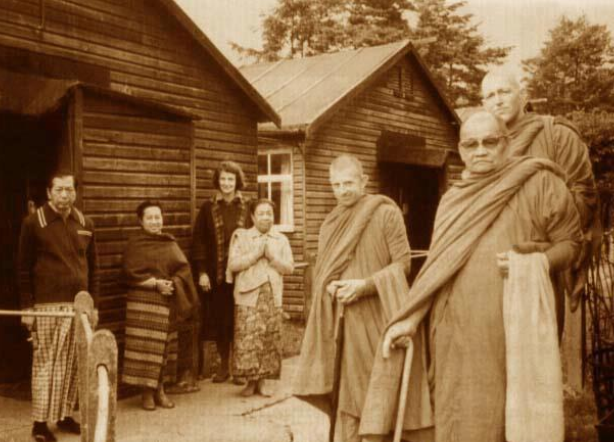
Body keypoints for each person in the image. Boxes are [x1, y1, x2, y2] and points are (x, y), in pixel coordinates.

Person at [359, 111, 583, 442]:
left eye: (489, 142)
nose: (480, 151)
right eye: (471, 144)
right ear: (461, 150)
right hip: (452, 332)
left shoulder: (540, 182)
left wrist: (535, 262)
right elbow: (437, 269)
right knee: (455, 414)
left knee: (504, 418)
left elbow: (571, 244)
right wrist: (411, 320)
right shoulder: (453, 199)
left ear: (506, 143)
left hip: (509, 328)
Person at [293, 154, 413, 442]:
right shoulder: (330, 223)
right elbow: (325, 272)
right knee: (346, 394)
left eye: (348, 183)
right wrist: (331, 288)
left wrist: (365, 285)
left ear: (364, 181)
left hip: (378, 316)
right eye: (336, 185)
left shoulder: (385, 213)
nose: (343, 190)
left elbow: (403, 264)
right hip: (344, 322)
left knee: (378, 389)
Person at [481, 68, 599, 311]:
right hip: (496, 259)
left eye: (504, 92)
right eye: (490, 95)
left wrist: (545, 249)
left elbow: (583, 194)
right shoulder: (482, 147)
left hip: (547, 258)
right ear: (483, 105)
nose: (498, 100)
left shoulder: (556, 134)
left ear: (523, 96)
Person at [18, 171, 99, 442]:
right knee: (46, 365)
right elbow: (23, 269)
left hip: (79, 306)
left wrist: (94, 306)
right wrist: (27, 308)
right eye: (59, 190)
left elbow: (94, 268)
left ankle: (64, 415)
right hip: (47, 307)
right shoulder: (34, 223)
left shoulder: (85, 223)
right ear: (49, 192)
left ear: (76, 192)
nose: (65, 195)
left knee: (73, 365)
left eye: (69, 189)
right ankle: (40, 424)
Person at [122, 200, 199, 411]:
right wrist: (155, 284)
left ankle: (160, 390)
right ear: (141, 221)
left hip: (166, 301)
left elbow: (184, 270)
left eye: (158, 217)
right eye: (150, 218)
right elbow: (128, 274)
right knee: (145, 348)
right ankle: (146, 393)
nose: (155, 222)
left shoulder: (169, 243)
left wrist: (173, 283)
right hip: (142, 302)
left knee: (165, 347)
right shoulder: (134, 245)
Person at [227, 199, 294, 397]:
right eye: (261, 214)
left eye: (269, 214)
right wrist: (256, 255)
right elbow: (233, 265)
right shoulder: (242, 237)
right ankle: (250, 382)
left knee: (268, 339)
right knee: (248, 339)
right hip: (248, 296)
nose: (266, 217)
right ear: (253, 217)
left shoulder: (281, 239)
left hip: (272, 295)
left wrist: (272, 257)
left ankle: (263, 381)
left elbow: (289, 268)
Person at [192, 160, 251, 383]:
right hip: (216, 275)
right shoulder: (207, 208)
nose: (226, 183)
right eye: (223, 179)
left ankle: (240, 368)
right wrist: (202, 272)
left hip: (242, 273)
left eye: (230, 179)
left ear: (237, 181)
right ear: (217, 181)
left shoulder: (247, 206)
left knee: (241, 319)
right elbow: (198, 242)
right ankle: (224, 366)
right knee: (221, 320)